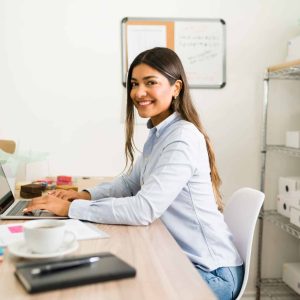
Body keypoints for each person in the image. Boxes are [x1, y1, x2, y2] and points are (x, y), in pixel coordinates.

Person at [24, 47, 244, 300]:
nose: (138, 93)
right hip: (181, 259)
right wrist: (82, 195)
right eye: (134, 84)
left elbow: (143, 209)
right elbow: (130, 184)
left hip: (211, 273)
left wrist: (69, 210)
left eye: (150, 83)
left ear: (176, 88)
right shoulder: (161, 133)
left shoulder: (181, 139)